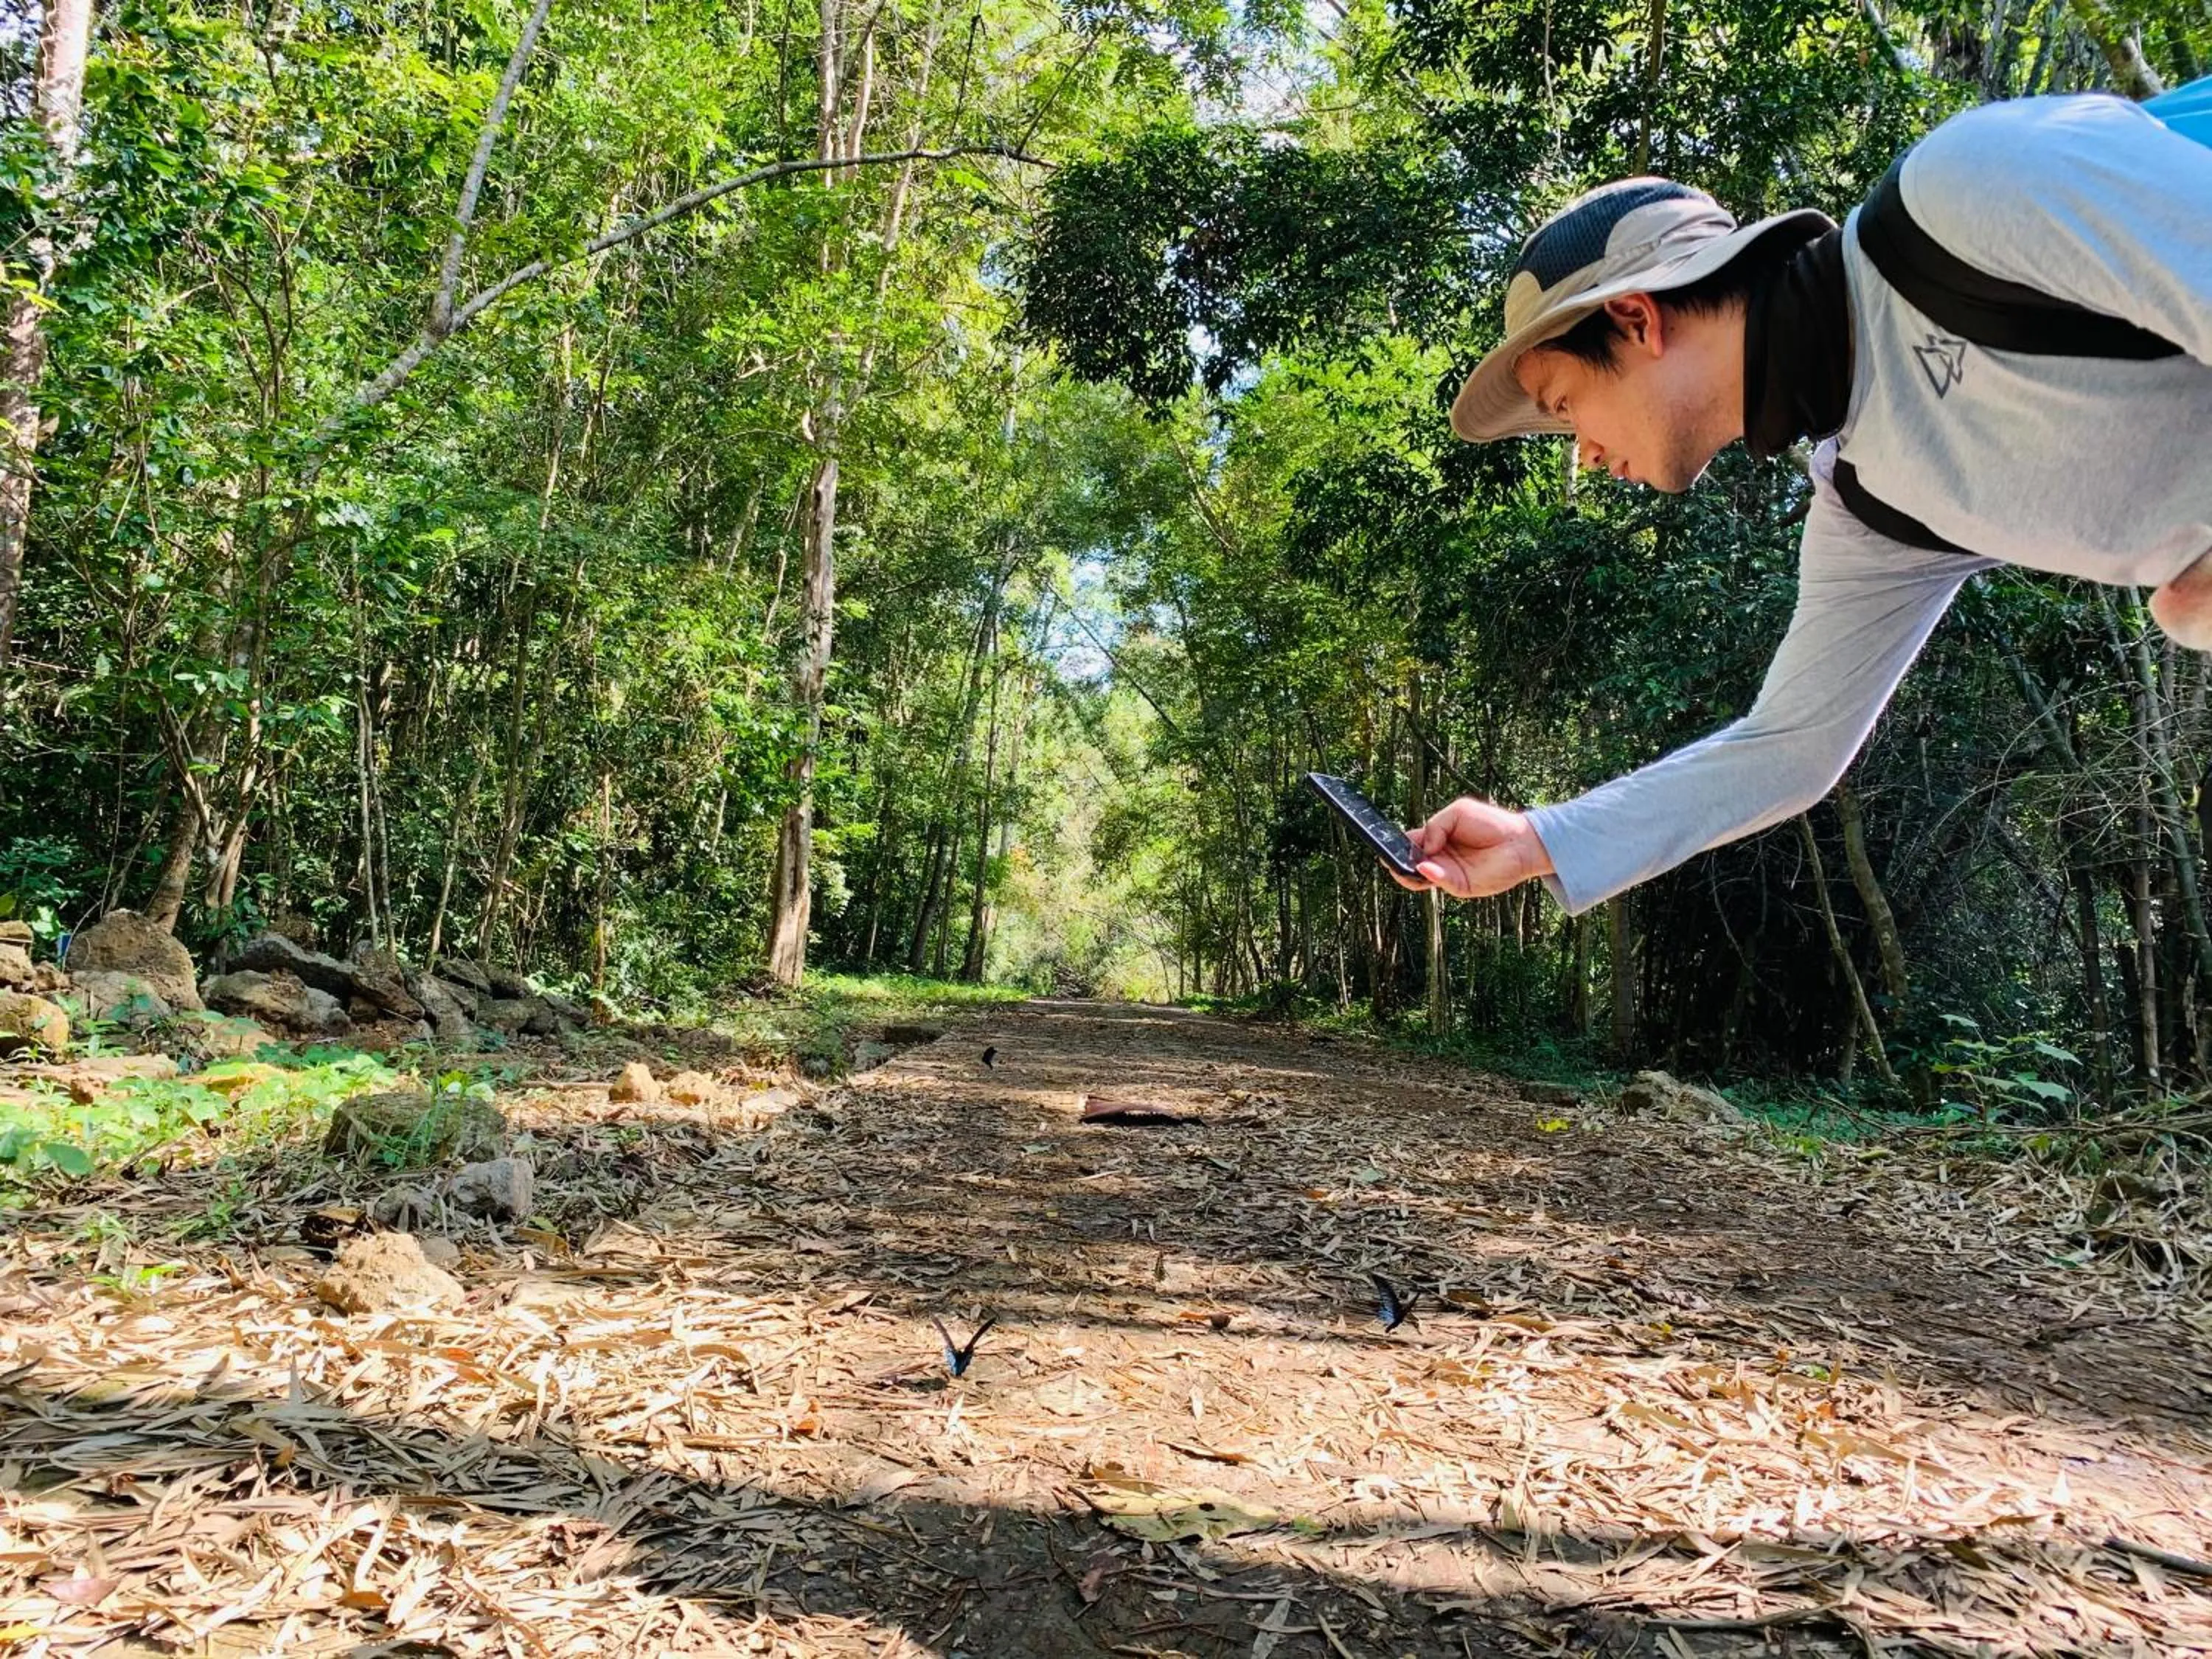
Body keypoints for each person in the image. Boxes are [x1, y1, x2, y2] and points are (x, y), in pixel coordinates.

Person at [1400, 86, 2212, 917]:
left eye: (1566, 403)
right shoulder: (1874, 503)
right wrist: (1541, 840)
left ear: (1637, 319)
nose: (1583, 450)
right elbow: (1788, 748)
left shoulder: (1966, 197)